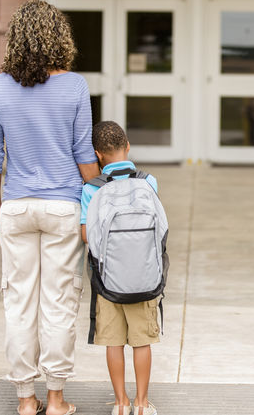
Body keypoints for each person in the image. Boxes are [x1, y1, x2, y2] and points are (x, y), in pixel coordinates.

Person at [0, 0, 99, 415]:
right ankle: (56, 399)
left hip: (16, 207)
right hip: (63, 208)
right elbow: (84, 156)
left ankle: (25, 400)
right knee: (59, 302)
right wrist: (102, 188)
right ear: (58, 37)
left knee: (18, 303)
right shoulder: (75, 86)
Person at [80, 121, 160, 415]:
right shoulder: (148, 182)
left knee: (113, 343)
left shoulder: (91, 188)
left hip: (108, 281)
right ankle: (141, 403)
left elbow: (87, 236)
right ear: (128, 147)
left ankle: (120, 403)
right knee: (142, 341)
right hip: (144, 277)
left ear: (98, 155)